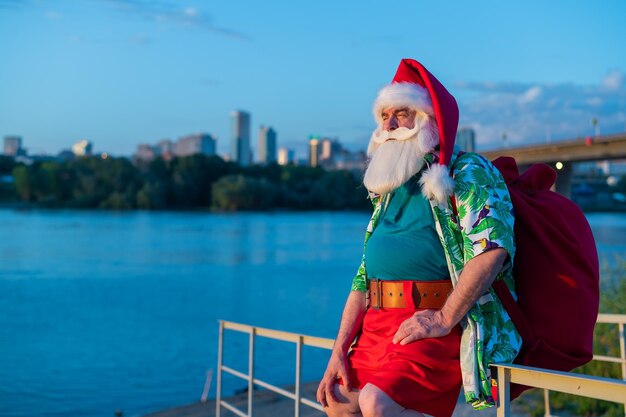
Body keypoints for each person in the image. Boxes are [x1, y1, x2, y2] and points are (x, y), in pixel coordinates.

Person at [316, 59, 522, 417]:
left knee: (376, 403)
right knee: (337, 400)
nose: (390, 125)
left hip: (432, 325)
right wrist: (338, 351)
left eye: (402, 113)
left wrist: (444, 318)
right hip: (376, 328)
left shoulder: (467, 170)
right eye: (384, 116)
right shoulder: (388, 187)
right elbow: (363, 278)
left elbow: (492, 250)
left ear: (428, 118)